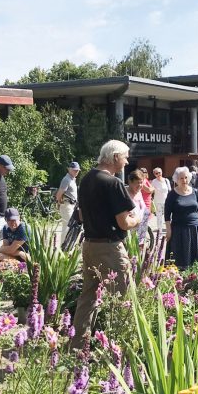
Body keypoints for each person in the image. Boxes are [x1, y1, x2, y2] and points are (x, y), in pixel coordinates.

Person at [72, 140, 140, 349]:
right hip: (110, 247)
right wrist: (137, 218)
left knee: (88, 297)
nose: (127, 160)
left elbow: (81, 216)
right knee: (123, 298)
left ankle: (78, 345)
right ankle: (121, 347)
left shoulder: (86, 179)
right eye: (126, 156)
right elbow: (124, 222)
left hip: (90, 244)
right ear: (116, 157)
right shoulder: (113, 183)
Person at [164, 167, 198, 269]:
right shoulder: (172, 194)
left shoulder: (195, 192)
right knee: (180, 257)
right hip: (179, 230)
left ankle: (197, 277)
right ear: (176, 179)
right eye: (181, 178)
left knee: (197, 258)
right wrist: (168, 230)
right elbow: (167, 214)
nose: (184, 180)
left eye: (186, 178)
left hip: (195, 229)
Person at [55, 162, 80, 247]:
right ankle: (63, 247)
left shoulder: (72, 179)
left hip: (72, 205)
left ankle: (67, 247)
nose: (76, 172)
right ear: (69, 169)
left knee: (71, 227)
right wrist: (59, 203)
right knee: (67, 227)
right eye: (74, 170)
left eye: (77, 170)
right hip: (67, 205)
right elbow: (59, 193)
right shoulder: (66, 179)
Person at [0, 155, 14, 246]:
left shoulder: (1, 176)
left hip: (3, 216)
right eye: (7, 169)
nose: (8, 171)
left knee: (4, 243)